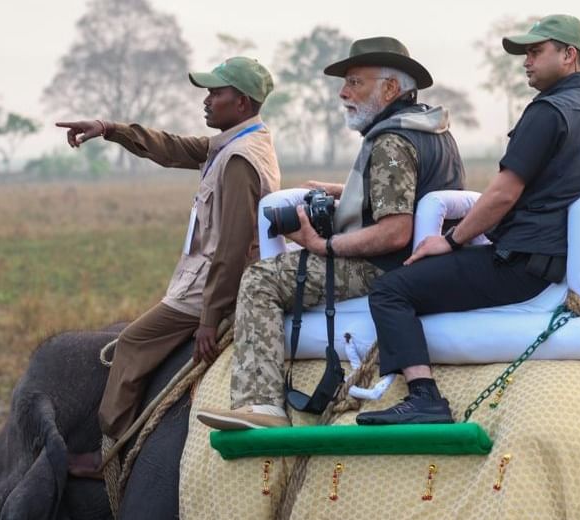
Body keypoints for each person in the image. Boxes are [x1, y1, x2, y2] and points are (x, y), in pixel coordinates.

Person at [354, 15, 580, 426]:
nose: (526, 62)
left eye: (536, 52)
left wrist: (453, 239)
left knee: (392, 291)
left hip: (523, 265)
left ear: (569, 56)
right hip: (565, 262)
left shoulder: (549, 112)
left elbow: (502, 193)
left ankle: (424, 397)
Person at [196, 37, 465, 431]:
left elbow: (394, 232)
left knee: (261, 278)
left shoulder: (391, 141)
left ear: (390, 88)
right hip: (422, 263)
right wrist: (352, 193)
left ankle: (261, 406)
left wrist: (324, 244)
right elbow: (405, 196)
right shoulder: (432, 128)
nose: (343, 93)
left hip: (385, 266)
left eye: (355, 82)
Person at [57, 57, 281, 476]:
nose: (207, 100)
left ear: (243, 102)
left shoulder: (238, 160)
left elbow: (231, 251)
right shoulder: (235, 145)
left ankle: (111, 454)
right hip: (204, 283)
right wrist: (109, 129)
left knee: (132, 343)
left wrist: (210, 319)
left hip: (208, 293)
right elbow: (172, 147)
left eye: (217, 93)